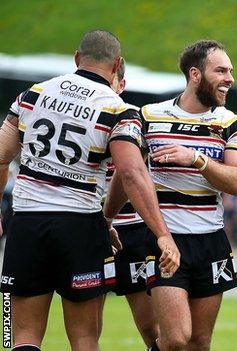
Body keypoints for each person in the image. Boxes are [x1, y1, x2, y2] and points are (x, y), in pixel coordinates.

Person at [0, 30, 179, 351]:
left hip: (26, 222)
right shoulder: (118, 109)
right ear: (117, 65)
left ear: (77, 58)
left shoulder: (33, 94)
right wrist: (162, 233)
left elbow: (1, 157)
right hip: (79, 224)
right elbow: (131, 173)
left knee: (19, 336)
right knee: (84, 338)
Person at [122, 39, 237, 351]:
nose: (229, 78)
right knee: (176, 338)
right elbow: (127, 174)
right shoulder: (149, 117)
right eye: (220, 70)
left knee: (200, 341)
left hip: (211, 240)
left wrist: (197, 159)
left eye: (230, 71)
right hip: (165, 238)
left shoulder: (232, 124)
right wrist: (107, 218)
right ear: (195, 74)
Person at [102, 57, 160, 347]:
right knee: (86, 326)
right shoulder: (81, 114)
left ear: (121, 85)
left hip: (133, 230)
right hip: (89, 227)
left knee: (152, 328)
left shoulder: (134, 119)